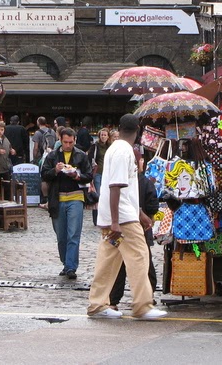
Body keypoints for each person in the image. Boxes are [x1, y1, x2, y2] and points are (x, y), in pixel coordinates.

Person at [87, 113, 167, 320]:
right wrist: (117, 221)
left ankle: (97, 304)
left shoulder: (114, 148)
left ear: (119, 129)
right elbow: (116, 186)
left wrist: (138, 213)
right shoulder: (125, 151)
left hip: (115, 214)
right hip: (121, 217)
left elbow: (123, 187)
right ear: (138, 130)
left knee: (108, 259)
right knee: (140, 255)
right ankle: (142, 305)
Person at [109, 145, 158, 311]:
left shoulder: (123, 182)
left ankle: (113, 300)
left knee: (119, 264)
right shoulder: (144, 182)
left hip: (120, 225)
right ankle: (146, 297)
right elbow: (153, 206)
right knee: (143, 261)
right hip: (137, 229)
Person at [41, 128, 93, 280]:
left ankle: (71, 266)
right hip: (57, 199)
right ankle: (66, 262)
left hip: (76, 197)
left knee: (73, 234)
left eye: (71, 142)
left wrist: (77, 176)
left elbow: (88, 176)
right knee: (61, 236)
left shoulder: (81, 155)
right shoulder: (52, 155)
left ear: (75, 140)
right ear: (60, 140)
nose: (68, 145)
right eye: (65, 142)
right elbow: (44, 174)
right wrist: (55, 171)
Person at [87, 128, 112, 225]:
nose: (103, 137)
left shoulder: (110, 147)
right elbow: (90, 158)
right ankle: (96, 218)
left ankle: (105, 217)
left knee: (106, 195)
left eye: (105, 135)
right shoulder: (95, 146)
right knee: (97, 195)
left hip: (107, 173)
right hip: (97, 173)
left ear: (108, 136)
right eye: (102, 135)